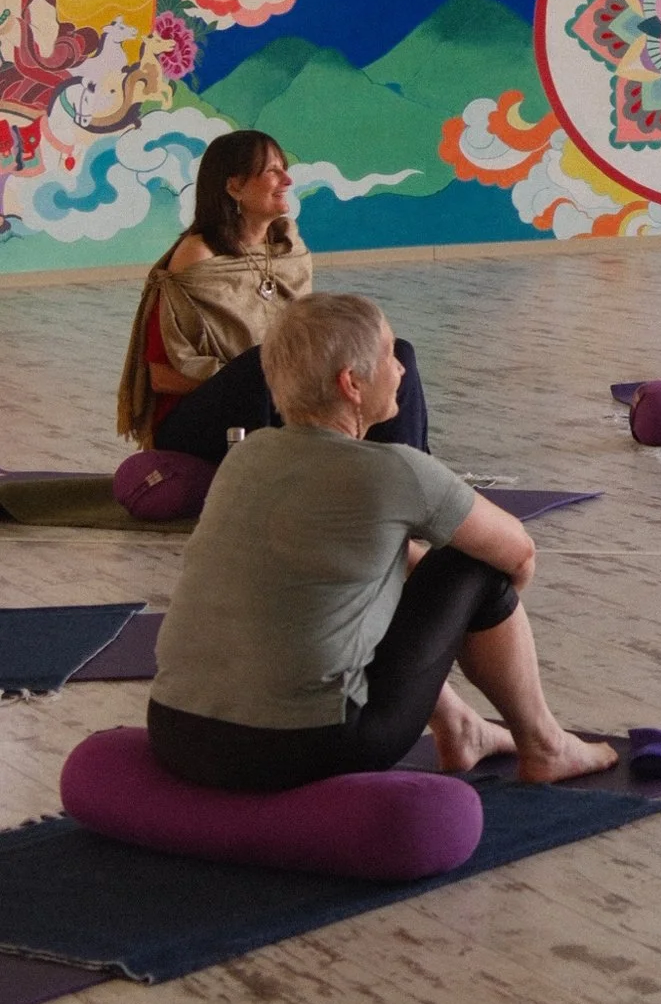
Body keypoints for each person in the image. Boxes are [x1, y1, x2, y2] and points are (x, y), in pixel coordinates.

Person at [147, 292, 610, 793]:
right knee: (475, 565)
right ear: (352, 383)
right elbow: (518, 553)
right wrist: (478, 612)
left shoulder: (245, 455)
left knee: (365, 582)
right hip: (301, 745)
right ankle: (545, 746)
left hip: (175, 731)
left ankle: (459, 727)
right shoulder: (396, 472)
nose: (401, 370)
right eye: (390, 355)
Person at [115, 127, 429, 463]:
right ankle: (271, 482)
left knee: (395, 355)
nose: (287, 181)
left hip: (277, 398)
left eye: (285, 169)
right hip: (195, 422)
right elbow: (161, 377)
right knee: (261, 363)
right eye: (272, 171)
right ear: (234, 186)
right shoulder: (196, 258)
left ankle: (405, 473)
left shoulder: (286, 249)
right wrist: (271, 380)